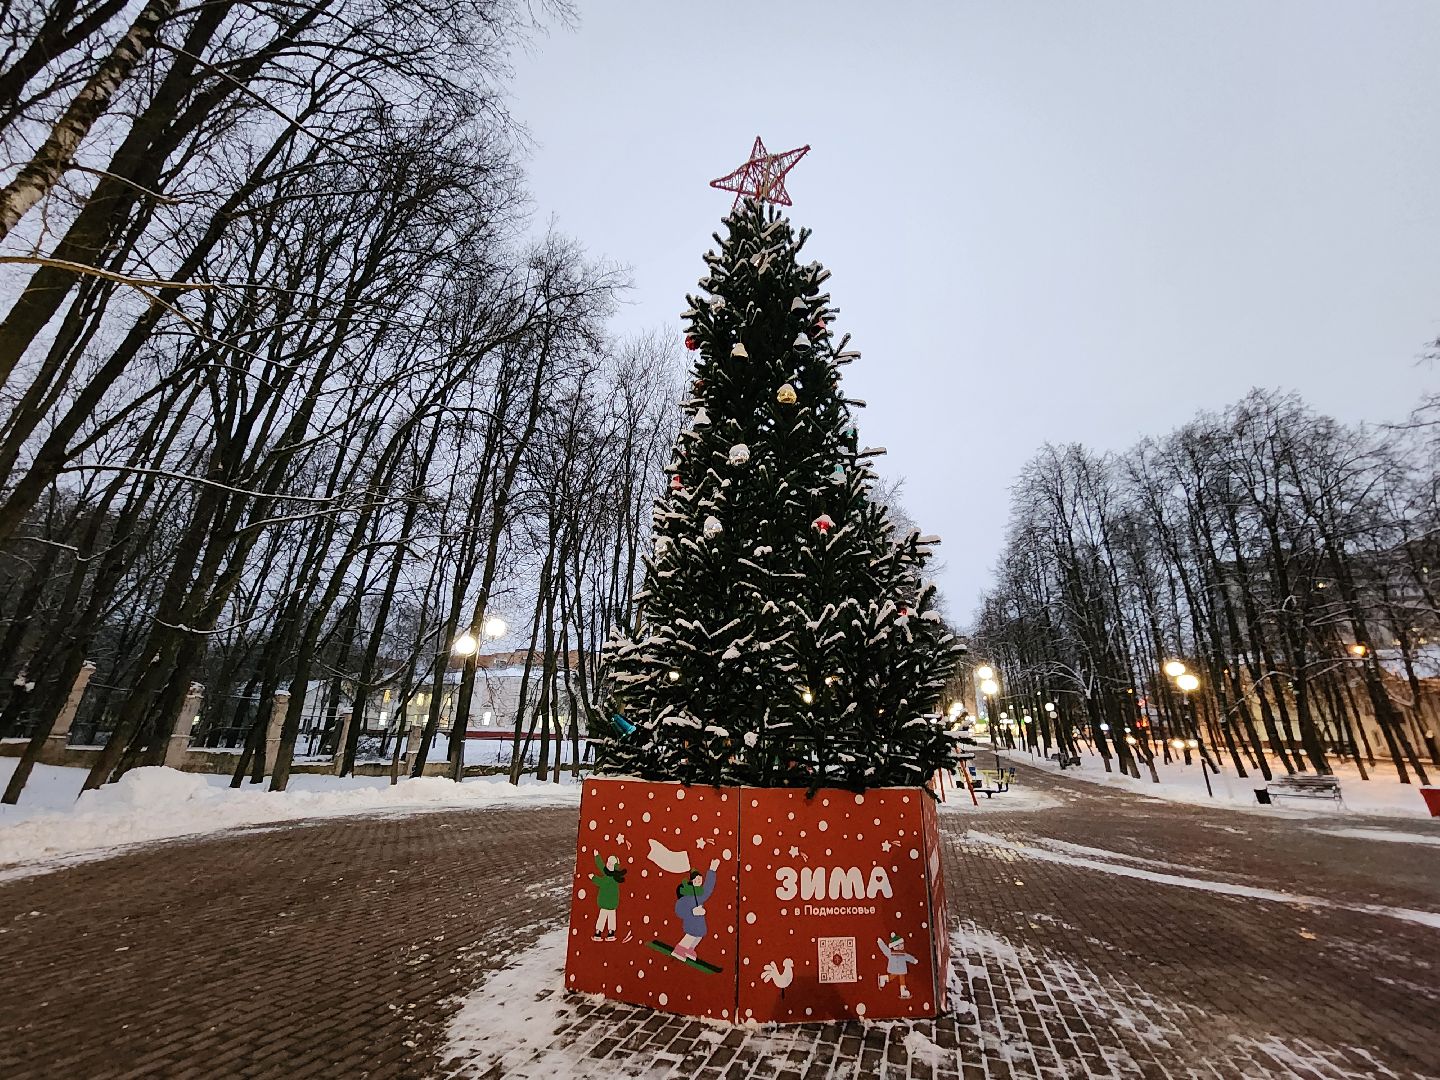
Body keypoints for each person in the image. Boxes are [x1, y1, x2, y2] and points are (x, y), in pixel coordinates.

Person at [672, 857, 720, 961]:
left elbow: (708, 889)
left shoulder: (699, 894)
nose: (699, 881)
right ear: (692, 881)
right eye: (696, 879)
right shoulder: (687, 895)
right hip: (691, 922)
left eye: (700, 879)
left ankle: (690, 949)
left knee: (699, 936)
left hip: (699, 923)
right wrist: (692, 912)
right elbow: (679, 909)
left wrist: (712, 870)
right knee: (690, 936)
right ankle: (679, 949)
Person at [590, 853, 626, 940]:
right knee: (609, 917)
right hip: (610, 902)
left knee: (604, 917)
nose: (608, 865)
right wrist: (597, 856)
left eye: (611, 864)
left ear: (615, 867)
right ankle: (608, 933)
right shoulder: (609, 873)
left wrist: (593, 877)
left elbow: (602, 883)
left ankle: (600, 933)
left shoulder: (612, 877)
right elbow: (601, 866)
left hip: (608, 902)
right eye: (608, 863)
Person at [877, 932, 919, 999]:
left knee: (896, 976)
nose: (901, 946)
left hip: (899, 969)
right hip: (897, 969)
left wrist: (913, 960)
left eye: (902, 944)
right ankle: (902, 991)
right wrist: (880, 942)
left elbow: (908, 957)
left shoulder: (902, 953)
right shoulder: (892, 953)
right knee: (899, 977)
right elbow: (884, 949)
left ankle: (884, 978)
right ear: (894, 947)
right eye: (898, 945)